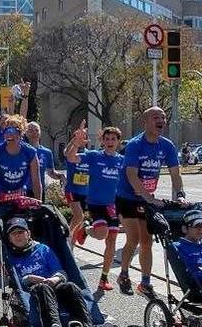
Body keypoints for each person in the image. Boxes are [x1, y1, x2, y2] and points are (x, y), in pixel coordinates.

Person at [116, 106, 186, 298]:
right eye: (156, 117)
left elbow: (175, 173)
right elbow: (131, 175)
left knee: (147, 240)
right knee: (134, 239)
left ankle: (145, 282)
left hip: (147, 199)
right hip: (127, 197)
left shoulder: (167, 146)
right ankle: (123, 274)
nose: (161, 120)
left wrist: (180, 194)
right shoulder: (135, 145)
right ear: (145, 122)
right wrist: (148, 197)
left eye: (163, 117)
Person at [66, 122, 124, 291]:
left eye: (113, 139)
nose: (110, 141)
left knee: (111, 241)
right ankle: (85, 230)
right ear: (103, 142)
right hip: (97, 203)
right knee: (101, 234)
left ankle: (103, 279)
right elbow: (71, 158)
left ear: (118, 141)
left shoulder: (123, 161)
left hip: (115, 206)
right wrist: (76, 143)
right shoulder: (94, 156)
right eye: (107, 139)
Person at [5, 217, 92, 327]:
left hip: (53, 284)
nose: (17, 235)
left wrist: (54, 279)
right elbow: (15, 281)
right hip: (31, 291)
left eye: (21, 232)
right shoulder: (11, 258)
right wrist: (30, 279)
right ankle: (53, 324)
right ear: (9, 238)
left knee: (70, 286)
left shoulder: (43, 249)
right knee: (42, 288)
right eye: (13, 233)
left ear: (29, 234)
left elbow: (60, 272)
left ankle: (82, 322)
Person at [0, 115, 42, 247]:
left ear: (21, 133)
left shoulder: (30, 152)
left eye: (14, 130)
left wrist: (38, 203)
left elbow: (36, 181)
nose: (9, 133)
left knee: (25, 231)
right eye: (7, 129)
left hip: (18, 198)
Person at [63, 122, 90, 249]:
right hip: (72, 190)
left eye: (83, 136)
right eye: (78, 136)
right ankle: (68, 240)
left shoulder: (89, 154)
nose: (81, 138)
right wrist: (75, 141)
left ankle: (73, 240)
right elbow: (67, 153)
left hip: (85, 191)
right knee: (79, 215)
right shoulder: (70, 150)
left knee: (80, 217)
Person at [26, 120, 65, 202]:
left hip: (40, 190)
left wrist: (60, 176)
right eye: (30, 130)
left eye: (36, 130)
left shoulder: (46, 152)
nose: (34, 133)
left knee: (38, 213)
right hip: (24, 190)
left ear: (40, 133)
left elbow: (51, 172)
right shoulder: (21, 150)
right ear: (25, 133)